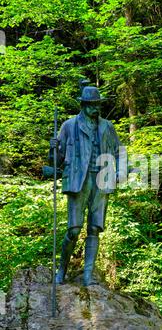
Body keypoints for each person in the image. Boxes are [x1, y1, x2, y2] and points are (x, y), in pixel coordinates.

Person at [49, 85, 123, 286]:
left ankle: (88, 275)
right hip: (77, 180)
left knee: (94, 228)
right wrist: (53, 149)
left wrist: (120, 172)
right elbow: (56, 160)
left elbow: (119, 151)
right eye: (90, 105)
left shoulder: (107, 126)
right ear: (82, 104)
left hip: (102, 179)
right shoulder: (69, 126)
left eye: (97, 104)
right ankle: (62, 269)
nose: (94, 108)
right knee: (73, 229)